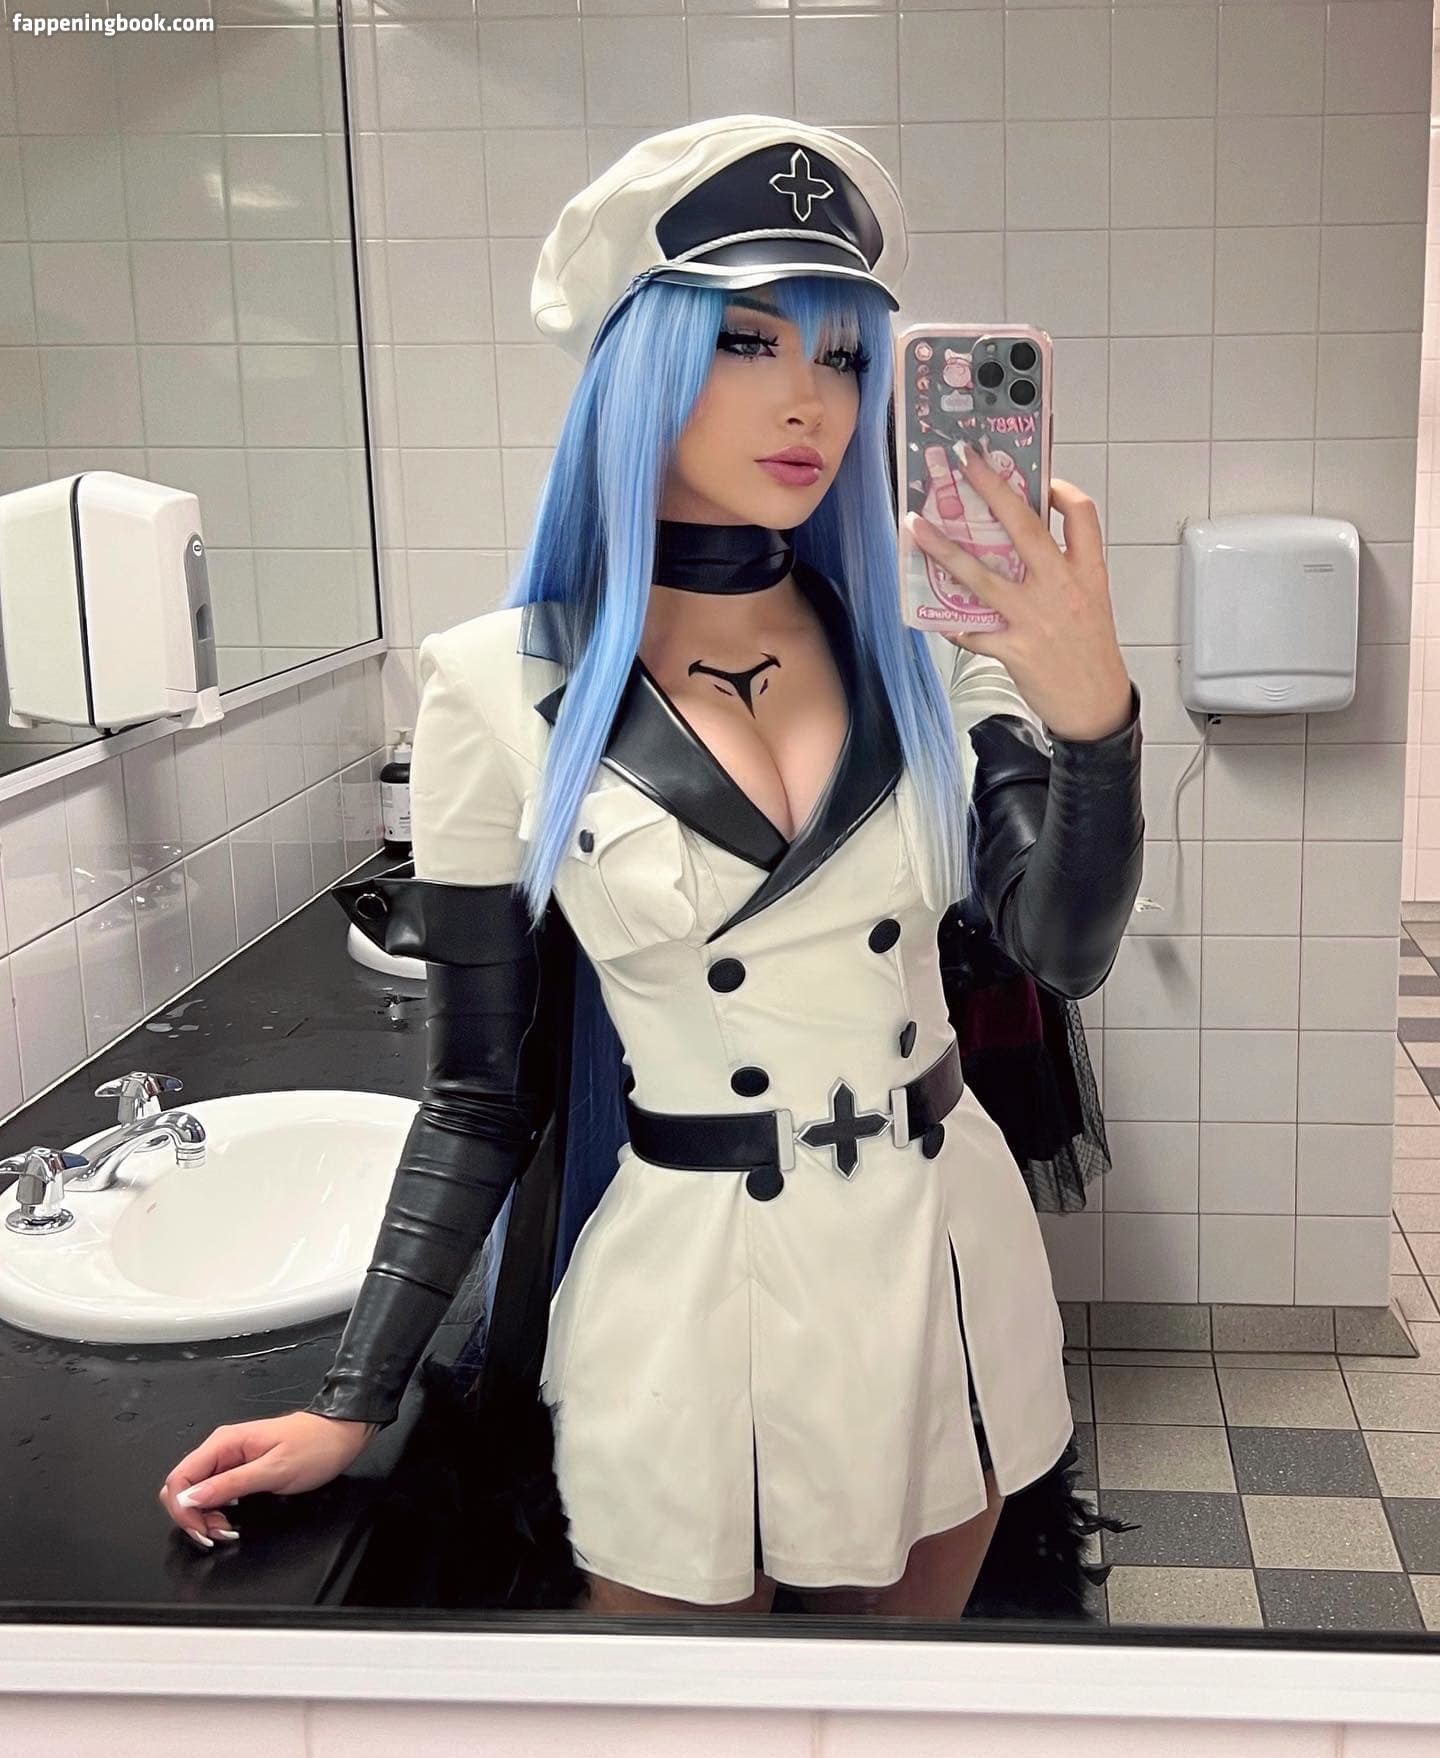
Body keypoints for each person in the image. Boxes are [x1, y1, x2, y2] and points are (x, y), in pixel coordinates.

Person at [157, 116, 1143, 1619]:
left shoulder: (937, 657)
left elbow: (1063, 949)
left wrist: (1094, 721)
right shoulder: (496, 688)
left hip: (940, 1257)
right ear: (641, 366)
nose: (810, 399)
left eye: (845, 356)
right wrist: (352, 1399)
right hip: (695, 1288)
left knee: (903, 1708)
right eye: (748, 341)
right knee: (684, 1715)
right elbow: (480, 1092)